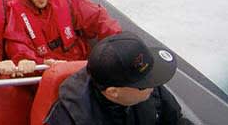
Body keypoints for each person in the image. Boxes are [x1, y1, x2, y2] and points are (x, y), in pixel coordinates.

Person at [45, 32, 191, 125]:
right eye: (144, 84)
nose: (153, 86)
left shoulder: (148, 87)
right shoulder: (67, 118)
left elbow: (175, 120)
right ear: (113, 92)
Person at [5, 0, 122, 69]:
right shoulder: (15, 11)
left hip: (82, 64)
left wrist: (118, 42)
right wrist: (33, 61)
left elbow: (98, 18)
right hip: (48, 71)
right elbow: (17, 47)